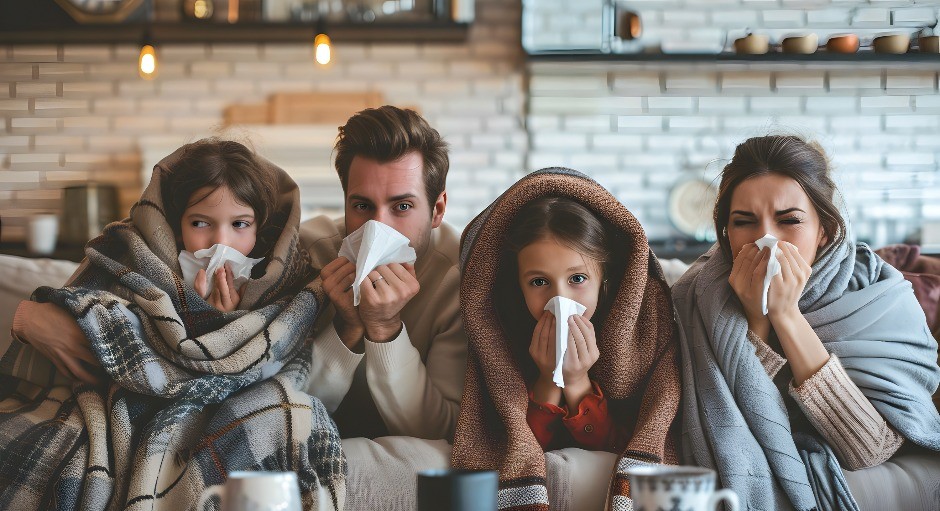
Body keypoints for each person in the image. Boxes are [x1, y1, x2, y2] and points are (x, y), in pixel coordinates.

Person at [1, 138, 345, 510]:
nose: (220, 242)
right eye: (201, 223)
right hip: (124, 401)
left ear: (259, 229)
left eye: (239, 224)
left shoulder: (286, 286)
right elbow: (88, 318)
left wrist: (219, 325)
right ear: (176, 226)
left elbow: (277, 370)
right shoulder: (129, 255)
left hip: (222, 411)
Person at [672, 135, 940, 510]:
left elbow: (870, 448)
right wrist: (754, 322)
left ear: (825, 230)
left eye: (790, 221)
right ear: (726, 234)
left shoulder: (878, 295)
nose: (767, 239)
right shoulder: (696, 298)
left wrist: (786, 315)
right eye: (744, 222)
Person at [452, 168, 680, 510]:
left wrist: (577, 383)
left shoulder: (639, 329)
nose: (559, 300)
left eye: (577, 278)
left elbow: (628, 440)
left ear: (603, 279)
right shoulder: (502, 332)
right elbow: (515, 445)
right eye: (539, 282)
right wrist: (548, 379)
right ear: (518, 285)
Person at [300, 105, 467, 440]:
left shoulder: (461, 278)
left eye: (402, 207)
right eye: (362, 206)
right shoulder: (308, 254)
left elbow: (442, 433)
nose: (378, 227)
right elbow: (285, 418)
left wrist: (385, 328)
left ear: (437, 210)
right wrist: (346, 327)